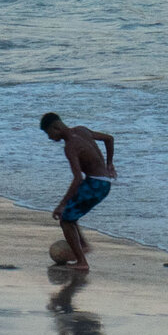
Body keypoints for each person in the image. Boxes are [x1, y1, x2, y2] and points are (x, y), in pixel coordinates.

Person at [38, 112, 116, 271]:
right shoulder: (82, 130)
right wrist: (109, 164)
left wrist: (61, 204)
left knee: (65, 220)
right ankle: (84, 245)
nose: (49, 138)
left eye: (48, 133)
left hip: (95, 185)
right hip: (102, 182)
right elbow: (109, 138)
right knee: (70, 215)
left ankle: (82, 262)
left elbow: (77, 179)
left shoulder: (70, 146)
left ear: (56, 127)